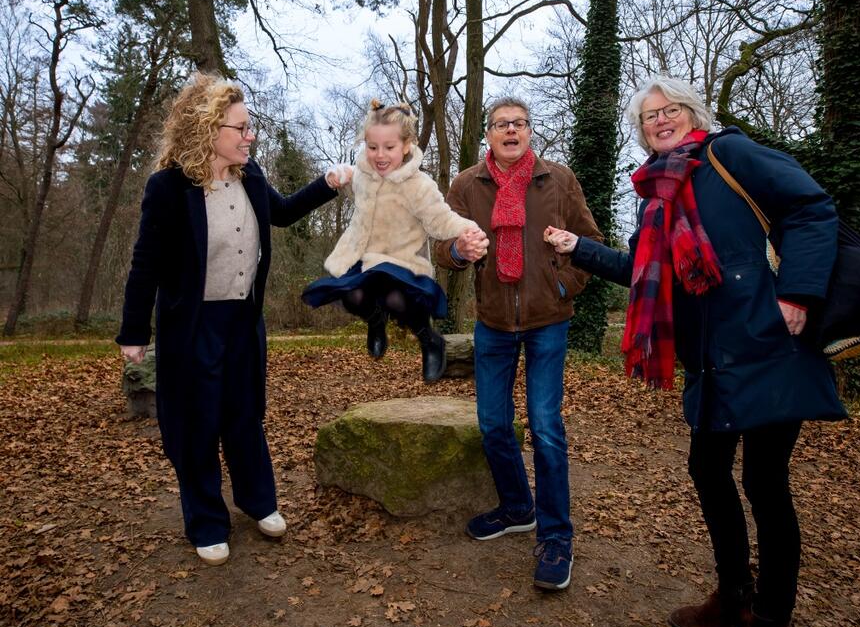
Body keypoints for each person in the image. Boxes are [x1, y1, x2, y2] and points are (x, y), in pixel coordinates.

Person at [545, 76, 846, 627]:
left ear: (693, 113)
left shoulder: (729, 153)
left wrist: (800, 292)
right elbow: (640, 269)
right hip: (711, 358)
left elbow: (813, 206)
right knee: (707, 469)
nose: (660, 119)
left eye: (671, 109)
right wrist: (578, 246)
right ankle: (734, 595)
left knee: (764, 483)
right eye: (649, 115)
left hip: (768, 344)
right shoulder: (655, 192)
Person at [116, 73, 342, 566]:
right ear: (207, 129)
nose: (250, 135)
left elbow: (280, 214)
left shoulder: (251, 175)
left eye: (250, 127)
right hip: (193, 326)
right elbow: (146, 262)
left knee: (244, 415)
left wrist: (325, 184)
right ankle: (206, 521)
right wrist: (134, 331)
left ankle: (258, 502)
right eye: (241, 128)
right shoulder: (168, 188)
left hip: (244, 322)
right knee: (197, 424)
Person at [433, 97, 602, 591]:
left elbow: (589, 241)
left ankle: (556, 538)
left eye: (520, 124)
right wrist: (458, 251)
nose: (511, 130)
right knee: (492, 423)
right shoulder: (467, 184)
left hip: (549, 319)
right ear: (488, 134)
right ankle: (516, 507)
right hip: (493, 322)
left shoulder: (558, 179)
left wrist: (564, 285)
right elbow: (442, 247)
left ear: (530, 132)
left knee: (547, 428)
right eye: (502, 124)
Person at [301, 100, 486, 382]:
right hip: (365, 259)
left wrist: (469, 230)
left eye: (389, 148)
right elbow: (353, 185)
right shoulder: (364, 175)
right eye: (372, 147)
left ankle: (430, 341)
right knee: (352, 295)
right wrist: (339, 174)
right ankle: (376, 320)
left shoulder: (418, 185)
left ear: (407, 145)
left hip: (402, 263)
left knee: (396, 299)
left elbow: (441, 220)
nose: (380, 155)